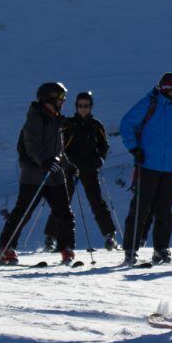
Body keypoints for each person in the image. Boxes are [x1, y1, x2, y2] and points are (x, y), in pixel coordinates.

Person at [0, 82, 77, 265]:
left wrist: (67, 165)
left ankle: (67, 249)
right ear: (50, 98)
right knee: (23, 212)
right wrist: (45, 162)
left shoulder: (56, 119)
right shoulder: (35, 118)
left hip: (55, 175)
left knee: (64, 213)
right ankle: (7, 247)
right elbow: (32, 145)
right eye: (61, 98)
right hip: (34, 175)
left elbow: (59, 150)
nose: (64, 101)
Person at [119, 72, 172, 265]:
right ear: (168, 89)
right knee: (140, 209)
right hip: (148, 165)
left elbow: (163, 135)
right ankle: (130, 251)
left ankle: (161, 249)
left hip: (168, 168)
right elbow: (126, 124)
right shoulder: (150, 103)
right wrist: (134, 148)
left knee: (165, 211)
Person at [42, 91, 118, 251]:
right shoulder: (69, 124)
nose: (83, 109)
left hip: (90, 168)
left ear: (90, 107)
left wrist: (100, 160)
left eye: (86, 106)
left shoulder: (96, 125)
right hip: (69, 168)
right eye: (80, 106)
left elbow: (104, 146)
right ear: (76, 106)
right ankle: (50, 237)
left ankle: (109, 235)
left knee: (97, 201)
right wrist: (65, 162)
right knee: (62, 202)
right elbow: (60, 145)